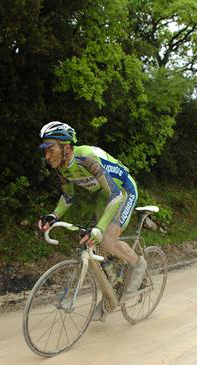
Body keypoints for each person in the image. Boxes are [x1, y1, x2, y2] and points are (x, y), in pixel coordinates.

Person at [36, 121, 146, 319]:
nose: (47, 155)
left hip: (122, 192)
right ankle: (113, 287)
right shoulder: (61, 168)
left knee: (105, 239)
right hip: (105, 196)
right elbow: (68, 197)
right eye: (44, 150)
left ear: (66, 147)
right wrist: (53, 216)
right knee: (94, 243)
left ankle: (137, 264)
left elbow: (115, 195)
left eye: (50, 148)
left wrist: (100, 229)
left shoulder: (87, 158)